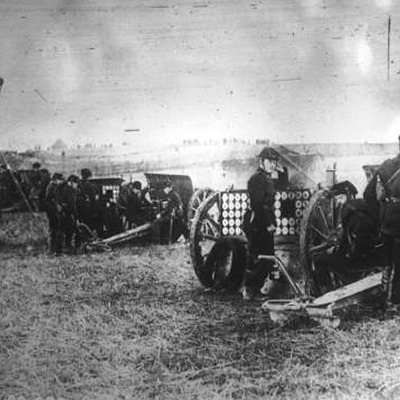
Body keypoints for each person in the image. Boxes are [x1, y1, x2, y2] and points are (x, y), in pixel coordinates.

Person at [364, 136, 400, 314]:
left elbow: (368, 194)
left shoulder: (386, 165)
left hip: (386, 222)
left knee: (386, 263)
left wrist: (379, 216)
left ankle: (382, 300)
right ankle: (396, 302)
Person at [242, 147, 280, 299]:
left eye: (274, 161)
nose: (272, 164)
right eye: (269, 161)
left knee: (265, 256)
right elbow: (258, 204)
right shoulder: (257, 178)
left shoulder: (267, 178)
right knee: (258, 257)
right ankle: (250, 290)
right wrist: (268, 224)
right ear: (261, 161)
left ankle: (255, 289)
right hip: (257, 222)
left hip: (263, 221)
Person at [54, 174, 80, 255]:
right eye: (76, 183)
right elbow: (72, 205)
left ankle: (60, 250)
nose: (76, 185)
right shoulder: (69, 190)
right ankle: (68, 249)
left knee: (63, 231)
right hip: (66, 214)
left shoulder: (62, 189)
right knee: (70, 231)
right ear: (71, 182)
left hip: (62, 213)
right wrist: (76, 218)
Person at [153, 179, 184, 244]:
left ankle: (156, 241)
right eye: (164, 188)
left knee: (156, 222)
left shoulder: (174, 196)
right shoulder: (168, 194)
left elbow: (172, 208)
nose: (164, 190)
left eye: (166, 188)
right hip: (168, 213)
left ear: (170, 188)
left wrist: (161, 214)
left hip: (173, 215)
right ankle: (162, 238)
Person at [45, 172, 64, 254]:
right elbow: (50, 200)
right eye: (60, 180)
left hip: (52, 211)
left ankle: (52, 249)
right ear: (56, 180)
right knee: (56, 230)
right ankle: (55, 250)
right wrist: (57, 206)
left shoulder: (51, 186)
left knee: (53, 230)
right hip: (53, 212)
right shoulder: (52, 187)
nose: (61, 182)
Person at [77, 168, 99, 234]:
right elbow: (93, 199)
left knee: (81, 227)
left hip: (79, 209)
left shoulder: (79, 184)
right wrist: (95, 211)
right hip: (88, 210)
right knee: (89, 227)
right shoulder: (89, 185)